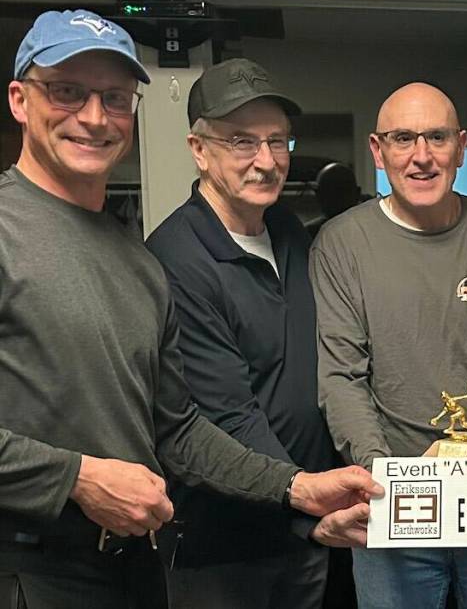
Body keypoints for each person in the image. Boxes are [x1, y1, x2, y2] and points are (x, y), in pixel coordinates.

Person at [0, 9, 379, 609]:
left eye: (115, 98)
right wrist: (74, 476)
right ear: (21, 100)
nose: (95, 117)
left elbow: (177, 428)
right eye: (68, 92)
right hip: (28, 573)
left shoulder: (133, 258)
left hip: (133, 569)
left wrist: (300, 488)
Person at [309, 82, 467, 609]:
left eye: (436, 137)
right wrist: (384, 476)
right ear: (377, 149)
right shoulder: (343, 243)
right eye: (403, 138)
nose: (421, 156)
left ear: (461, 146)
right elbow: (342, 376)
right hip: (395, 500)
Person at [145, 58, 341, 608]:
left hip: (307, 533)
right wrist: (310, 503)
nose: (266, 161)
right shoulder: (178, 259)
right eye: (241, 142)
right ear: (198, 149)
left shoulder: (289, 234)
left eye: (278, 141)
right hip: (224, 547)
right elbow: (226, 414)